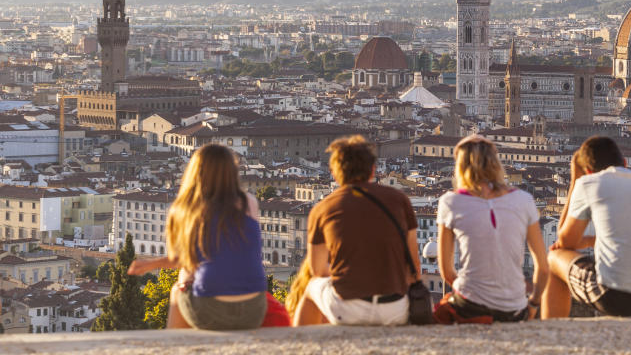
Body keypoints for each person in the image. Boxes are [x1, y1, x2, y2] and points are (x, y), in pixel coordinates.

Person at [541, 136, 631, 318]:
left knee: (554, 258)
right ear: (624, 162)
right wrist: (592, 241)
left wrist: (575, 182)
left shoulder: (588, 182)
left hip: (617, 297)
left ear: (587, 171)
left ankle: (552, 333)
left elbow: (564, 242)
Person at [128, 143, 268, 330]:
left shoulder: (186, 209)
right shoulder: (248, 202)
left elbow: (181, 260)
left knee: (178, 288)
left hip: (210, 309)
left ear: (195, 171)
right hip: (254, 309)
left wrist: (150, 264)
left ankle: (176, 349)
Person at [293, 135, 419, 326]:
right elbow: (414, 267)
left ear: (334, 172)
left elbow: (317, 270)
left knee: (311, 288)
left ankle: (300, 346)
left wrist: (345, 271)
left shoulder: (323, 208)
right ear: (373, 170)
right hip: (395, 309)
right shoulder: (399, 200)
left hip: (348, 310)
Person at [434, 135, 548, 323]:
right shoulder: (524, 200)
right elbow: (543, 268)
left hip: (470, 307)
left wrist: (472, 291)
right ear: (496, 164)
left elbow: (446, 271)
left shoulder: (450, 202)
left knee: (441, 309)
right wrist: (533, 304)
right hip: (514, 310)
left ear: (460, 167)